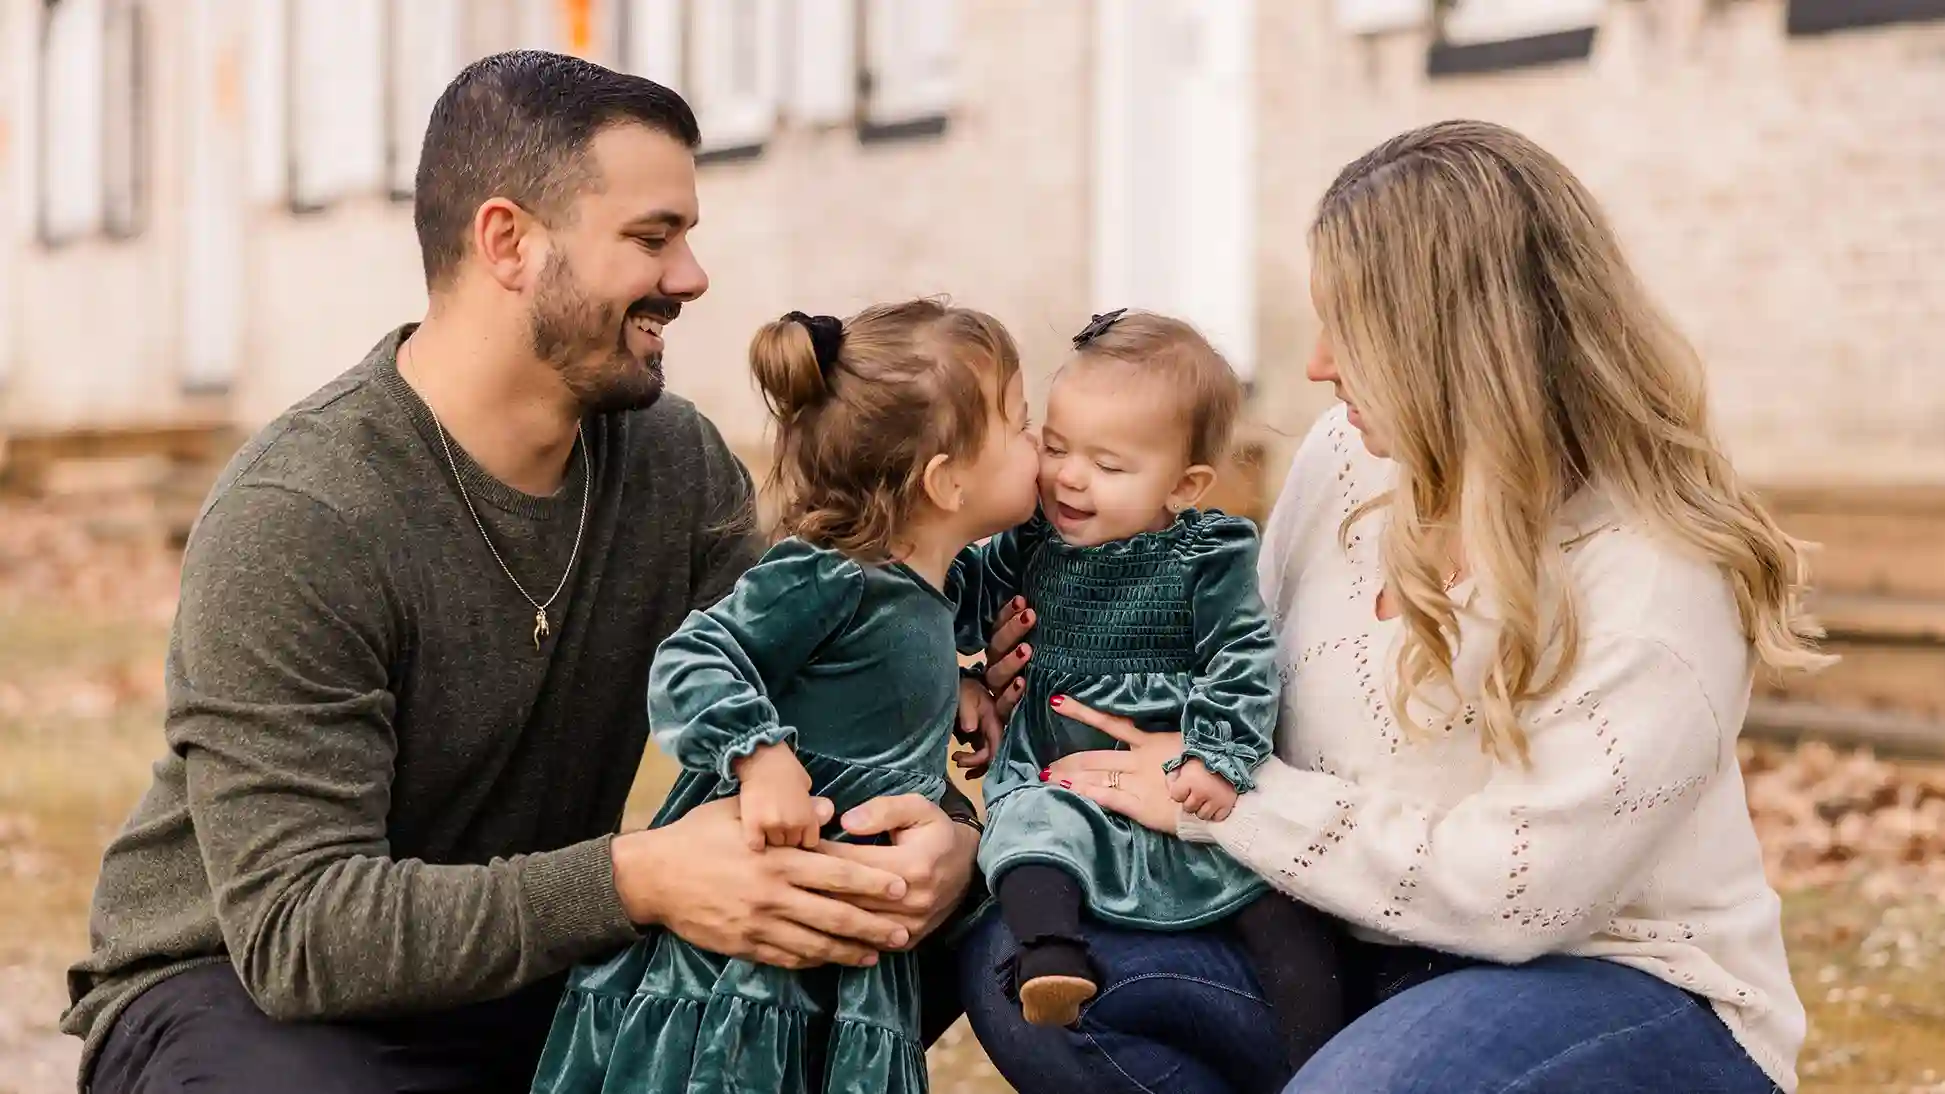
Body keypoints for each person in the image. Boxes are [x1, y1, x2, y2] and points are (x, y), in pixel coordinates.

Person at [62, 52, 981, 1094]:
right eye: (651, 237)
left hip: (532, 968)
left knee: (904, 926)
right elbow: (299, 932)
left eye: (688, 236)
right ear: (508, 241)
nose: (690, 277)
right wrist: (637, 877)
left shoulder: (674, 463)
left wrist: (945, 840)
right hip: (237, 991)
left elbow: (820, 698)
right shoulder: (302, 514)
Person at [959, 119, 1822, 1094]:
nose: (1319, 363)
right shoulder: (1345, 459)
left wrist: (1234, 800)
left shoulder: (1656, 572)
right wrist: (1047, 679)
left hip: (1619, 982)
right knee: (1027, 962)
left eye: (1350, 328)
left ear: (1454, 346)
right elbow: (1242, 674)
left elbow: (1522, 896)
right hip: (1348, 950)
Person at [531, 300, 1041, 1094]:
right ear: (947, 480)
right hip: (742, 962)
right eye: (1021, 421)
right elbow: (694, 657)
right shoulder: (826, 577)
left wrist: (963, 681)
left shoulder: (937, 590)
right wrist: (760, 757)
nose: (1038, 441)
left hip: (839, 948)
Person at [947, 309, 1345, 1069]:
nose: (1068, 475)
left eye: (1108, 464)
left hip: (1175, 763)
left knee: (1273, 897)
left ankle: (1320, 1060)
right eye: (1054, 446)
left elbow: (1240, 655)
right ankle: (1050, 956)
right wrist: (961, 675)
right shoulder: (1026, 543)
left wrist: (1215, 754)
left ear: (1184, 484)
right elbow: (953, 601)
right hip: (1063, 768)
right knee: (1029, 830)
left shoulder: (1208, 554)